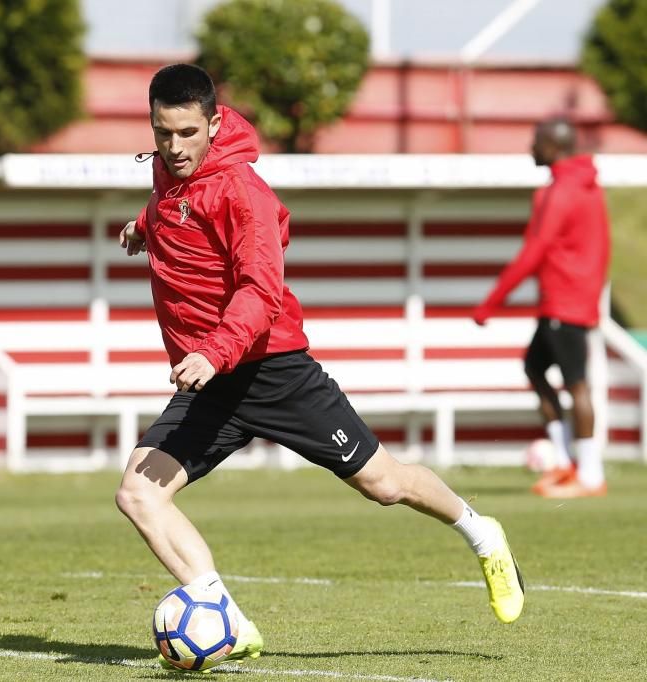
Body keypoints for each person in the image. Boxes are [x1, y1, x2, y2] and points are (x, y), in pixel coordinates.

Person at [116, 64, 525, 670]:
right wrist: (145, 226)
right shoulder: (170, 177)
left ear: (216, 122)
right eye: (162, 132)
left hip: (271, 369)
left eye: (186, 132)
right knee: (138, 494)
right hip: (214, 379)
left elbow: (260, 289)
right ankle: (226, 618)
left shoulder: (244, 192)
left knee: (384, 484)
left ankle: (482, 532)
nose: (174, 147)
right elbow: (182, 213)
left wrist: (212, 350)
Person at [473, 118, 611, 499]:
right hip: (570, 298)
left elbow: (535, 250)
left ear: (553, 147)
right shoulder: (587, 186)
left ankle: (590, 475)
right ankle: (566, 464)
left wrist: (491, 302)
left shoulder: (560, 190)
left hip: (564, 303)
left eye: (535, 143)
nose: (530, 149)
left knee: (576, 385)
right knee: (534, 367)